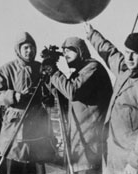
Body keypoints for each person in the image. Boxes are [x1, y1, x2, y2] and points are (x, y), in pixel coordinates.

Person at [84, 23, 138, 174]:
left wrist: (135, 163)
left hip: (130, 163)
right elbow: (110, 53)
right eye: (126, 52)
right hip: (114, 157)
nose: (128, 57)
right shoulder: (126, 70)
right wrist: (92, 34)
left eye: (134, 53)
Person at [41, 37, 113, 174]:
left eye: (69, 50)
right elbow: (65, 98)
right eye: (64, 52)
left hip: (90, 142)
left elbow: (73, 92)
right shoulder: (79, 73)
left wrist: (55, 72)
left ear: (80, 51)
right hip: (78, 141)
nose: (65, 54)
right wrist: (49, 79)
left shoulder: (93, 68)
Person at [0, 32, 51, 174]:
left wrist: (48, 97)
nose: (30, 51)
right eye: (26, 48)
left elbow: (50, 90)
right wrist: (13, 96)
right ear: (19, 50)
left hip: (37, 124)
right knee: (15, 163)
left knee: (36, 166)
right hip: (15, 127)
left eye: (32, 48)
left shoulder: (41, 68)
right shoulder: (6, 69)